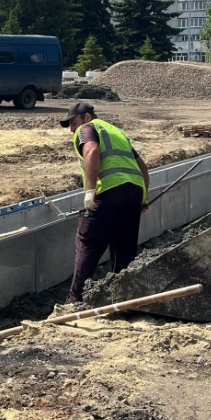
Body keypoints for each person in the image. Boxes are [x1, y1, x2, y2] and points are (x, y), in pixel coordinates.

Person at [60, 101, 150, 303]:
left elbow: (91, 152)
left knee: (87, 244)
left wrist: (90, 192)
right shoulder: (116, 132)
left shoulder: (87, 129)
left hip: (108, 193)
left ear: (86, 117)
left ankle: (75, 302)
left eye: (72, 122)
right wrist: (142, 198)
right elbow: (142, 167)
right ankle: (123, 299)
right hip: (133, 193)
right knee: (124, 249)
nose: (71, 129)